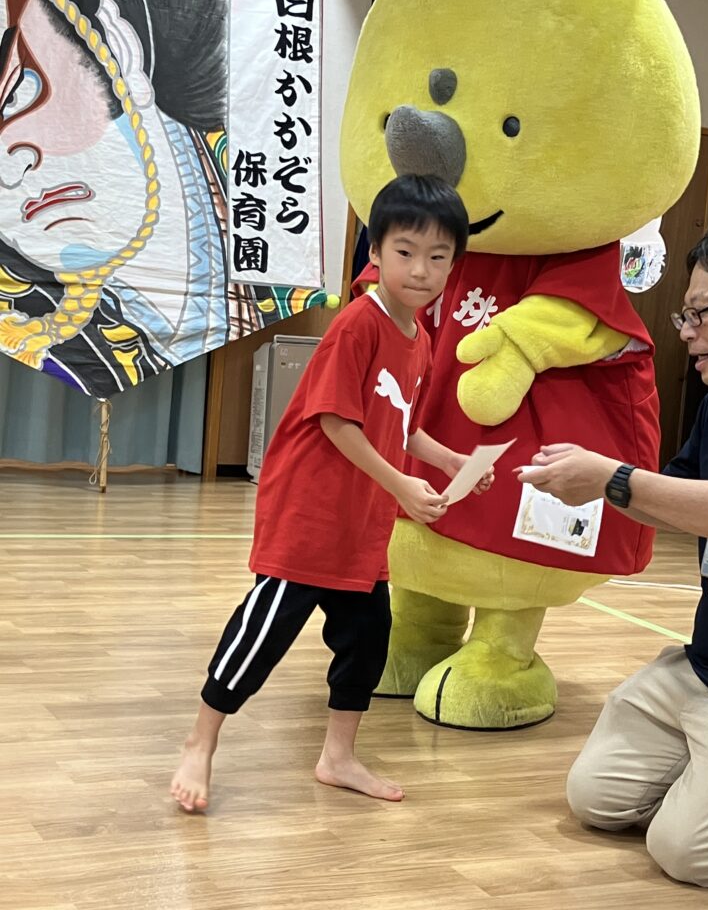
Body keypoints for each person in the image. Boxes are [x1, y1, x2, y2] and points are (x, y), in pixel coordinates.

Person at [171, 174, 493, 812]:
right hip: (310, 515)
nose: (421, 270)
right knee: (262, 634)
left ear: (454, 263)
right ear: (376, 251)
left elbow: (402, 423)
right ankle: (200, 741)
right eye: (405, 252)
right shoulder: (358, 325)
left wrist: (449, 459)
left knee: (367, 640)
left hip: (361, 523)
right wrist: (402, 483)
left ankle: (338, 756)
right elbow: (335, 422)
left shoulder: (420, 340)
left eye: (438, 257)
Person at [516, 214, 708, 887]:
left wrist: (613, 478)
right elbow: (673, 495)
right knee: (594, 799)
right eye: (686, 315)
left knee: (689, 856)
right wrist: (580, 486)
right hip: (704, 667)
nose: (686, 331)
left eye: (701, 312)